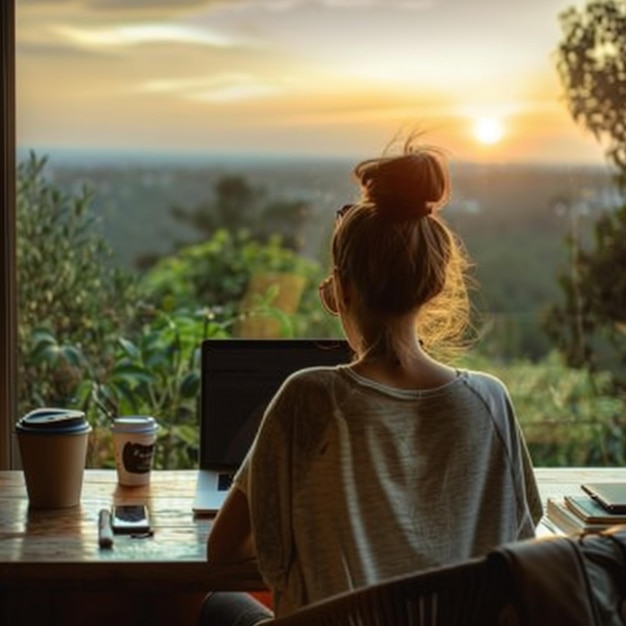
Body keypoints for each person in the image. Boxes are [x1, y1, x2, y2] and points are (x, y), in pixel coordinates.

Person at [199, 131, 544, 625]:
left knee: (216, 606)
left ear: (342, 289)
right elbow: (518, 549)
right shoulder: (490, 401)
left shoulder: (308, 399)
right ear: (436, 283)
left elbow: (223, 550)